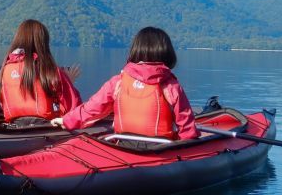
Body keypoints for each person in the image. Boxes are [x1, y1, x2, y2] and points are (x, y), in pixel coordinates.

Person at [51, 26, 199, 140]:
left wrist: (65, 120)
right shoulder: (171, 86)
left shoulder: (118, 82)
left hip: (124, 144)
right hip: (160, 148)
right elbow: (187, 126)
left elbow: (91, 109)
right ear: (167, 53)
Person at [0, 19, 82, 124]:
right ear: (43, 43)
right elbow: (74, 108)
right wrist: (68, 82)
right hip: (44, 126)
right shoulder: (50, 70)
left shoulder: (5, 68)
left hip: (15, 125)